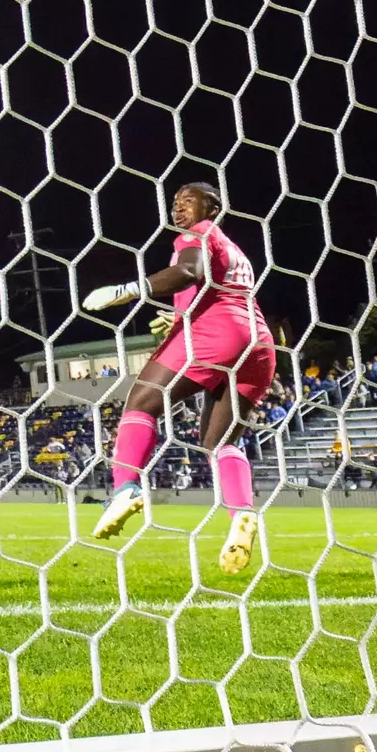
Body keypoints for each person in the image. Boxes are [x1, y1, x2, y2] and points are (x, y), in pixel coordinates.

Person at [81, 181, 274, 575]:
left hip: (218, 334)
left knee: (140, 403)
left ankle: (125, 489)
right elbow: (220, 291)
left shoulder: (198, 234)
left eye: (189, 201)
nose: (179, 208)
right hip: (257, 343)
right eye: (175, 202)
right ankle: (242, 513)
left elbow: (188, 271)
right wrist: (181, 317)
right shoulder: (233, 249)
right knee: (218, 441)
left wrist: (127, 290)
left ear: (213, 207)